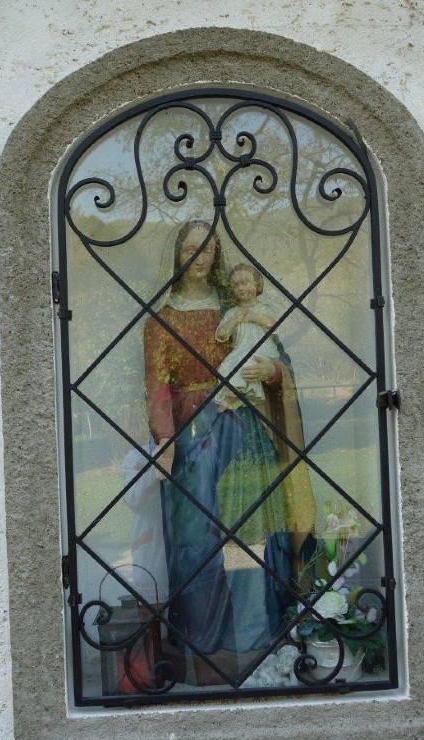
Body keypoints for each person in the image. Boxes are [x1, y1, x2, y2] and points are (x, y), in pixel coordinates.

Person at [143, 220, 316, 685]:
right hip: (193, 435)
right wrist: (165, 440)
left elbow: (275, 354)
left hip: (245, 425)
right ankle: (205, 642)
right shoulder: (162, 319)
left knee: (255, 525)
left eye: (208, 250)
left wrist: (272, 372)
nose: (201, 258)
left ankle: (261, 631)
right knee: (196, 532)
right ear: (177, 255)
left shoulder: (236, 305)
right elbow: (157, 387)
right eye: (191, 249)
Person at [215, 263, 280, 410]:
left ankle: (231, 397)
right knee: (225, 368)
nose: (240, 288)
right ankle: (239, 395)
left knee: (248, 364)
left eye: (245, 283)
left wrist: (254, 317)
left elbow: (274, 326)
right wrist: (234, 320)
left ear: (256, 284)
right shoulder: (232, 313)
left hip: (261, 350)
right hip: (240, 351)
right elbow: (221, 335)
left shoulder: (264, 309)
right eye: (235, 285)